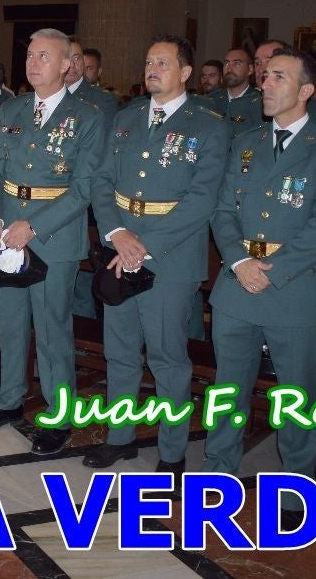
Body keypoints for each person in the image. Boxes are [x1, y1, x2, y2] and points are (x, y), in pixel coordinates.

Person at [203, 47, 316, 526]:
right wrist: (239, 260)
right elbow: (223, 209)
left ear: (307, 90)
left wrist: (273, 269)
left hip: (295, 289)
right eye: (265, 77)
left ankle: (294, 489)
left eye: (278, 78)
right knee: (227, 390)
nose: (265, 85)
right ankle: (217, 473)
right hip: (236, 284)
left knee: (297, 397)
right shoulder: (245, 141)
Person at [85, 36, 229, 474]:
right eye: (149, 62)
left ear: (185, 72)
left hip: (170, 256)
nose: (152, 69)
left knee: (167, 356)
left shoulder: (208, 124)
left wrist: (143, 244)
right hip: (120, 247)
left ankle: (171, 451)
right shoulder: (126, 119)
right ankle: (120, 438)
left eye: (162, 63)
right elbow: (101, 181)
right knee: (121, 350)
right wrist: (116, 232)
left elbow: (203, 199)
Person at [0, 28, 103, 456]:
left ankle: (58, 414)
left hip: (54, 237)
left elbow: (84, 189)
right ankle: (9, 401)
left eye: (44, 56)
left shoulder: (88, 116)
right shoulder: (11, 109)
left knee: (51, 330)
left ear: (68, 65)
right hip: (8, 233)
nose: (33, 62)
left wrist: (34, 226)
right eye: (29, 54)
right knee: (11, 325)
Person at [207, 48, 262, 135]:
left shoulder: (260, 103)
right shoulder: (211, 100)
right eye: (227, 63)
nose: (229, 69)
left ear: (250, 69)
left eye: (237, 63)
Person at [65, 39, 117, 118]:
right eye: (66, 58)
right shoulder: (45, 95)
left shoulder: (104, 100)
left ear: (83, 62)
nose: (71, 64)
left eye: (76, 58)